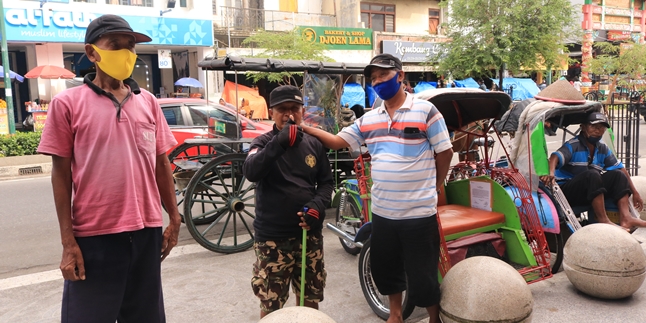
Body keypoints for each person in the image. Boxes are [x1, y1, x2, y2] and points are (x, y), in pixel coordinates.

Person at [36, 15, 180, 322]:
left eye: (130, 46)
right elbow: (60, 176)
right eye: (115, 45)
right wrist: (68, 242)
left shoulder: (149, 102)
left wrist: (175, 217)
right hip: (94, 237)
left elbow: (161, 162)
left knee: (145, 317)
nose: (126, 53)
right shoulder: (67, 104)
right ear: (92, 53)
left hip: (146, 233)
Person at [301, 53, 453, 323]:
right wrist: (304, 128)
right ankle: (396, 315)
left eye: (384, 75)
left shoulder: (426, 111)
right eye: (374, 78)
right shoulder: (369, 118)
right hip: (383, 213)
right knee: (387, 270)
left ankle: (434, 318)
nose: (379, 81)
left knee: (423, 274)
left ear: (400, 75)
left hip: (419, 213)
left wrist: (436, 184)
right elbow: (337, 141)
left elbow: (444, 152)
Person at [243, 85, 334, 319]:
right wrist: (279, 143)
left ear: (303, 111)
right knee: (271, 303)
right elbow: (251, 172)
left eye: (294, 109)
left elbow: (326, 183)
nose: (289, 115)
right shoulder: (263, 143)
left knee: (308, 299)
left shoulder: (314, 143)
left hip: (308, 236)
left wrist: (318, 207)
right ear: (272, 112)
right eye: (282, 110)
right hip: (273, 239)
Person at [540, 112, 646, 230]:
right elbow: (554, 157)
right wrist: (551, 173)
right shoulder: (573, 145)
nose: (598, 130)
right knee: (593, 174)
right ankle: (603, 219)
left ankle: (626, 217)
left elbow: (620, 168)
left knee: (618, 175)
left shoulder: (602, 148)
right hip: (566, 192)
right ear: (583, 127)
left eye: (601, 127)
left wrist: (635, 192)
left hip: (588, 189)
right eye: (594, 126)